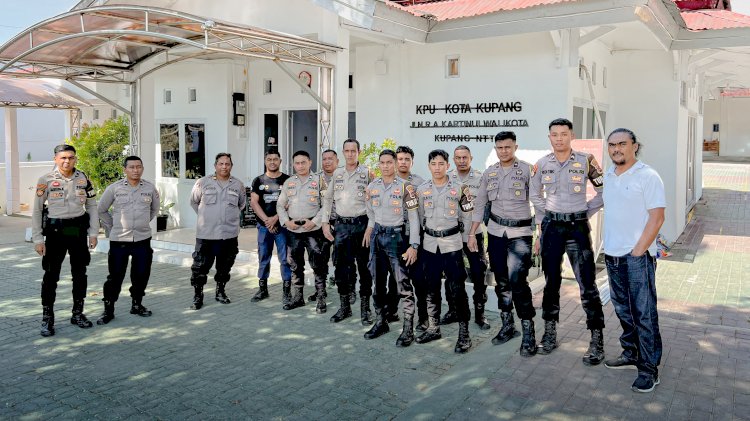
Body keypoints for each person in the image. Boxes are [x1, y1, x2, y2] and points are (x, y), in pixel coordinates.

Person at [529, 118, 606, 366]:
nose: (559, 138)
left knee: (587, 284)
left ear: (571, 135)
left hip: (577, 229)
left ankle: (597, 338)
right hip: (552, 229)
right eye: (555, 134)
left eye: (564, 134)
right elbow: (533, 195)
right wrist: (546, 218)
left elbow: (605, 190)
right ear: (549, 137)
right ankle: (550, 333)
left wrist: (586, 210)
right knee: (551, 283)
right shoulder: (541, 165)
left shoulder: (586, 161)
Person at [602, 128, 665, 393]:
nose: (617, 149)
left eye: (622, 144)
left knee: (644, 314)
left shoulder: (648, 176)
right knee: (623, 310)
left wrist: (638, 251)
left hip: (636, 258)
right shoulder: (608, 174)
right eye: (612, 145)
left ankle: (649, 370)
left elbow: (657, 217)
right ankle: (631, 352)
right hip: (612, 256)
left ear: (635, 146)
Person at [468, 132, 537, 357]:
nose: (504, 151)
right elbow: (479, 205)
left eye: (508, 147)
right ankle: (508, 325)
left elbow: (539, 202)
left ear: (515, 146)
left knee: (518, 281)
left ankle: (528, 332)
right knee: (501, 281)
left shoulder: (528, 170)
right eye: (500, 147)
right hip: (497, 233)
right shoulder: (490, 173)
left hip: (520, 233)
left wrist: (542, 233)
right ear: (496, 148)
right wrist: (471, 233)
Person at [32, 144, 99, 337]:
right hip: (55, 233)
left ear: (75, 159)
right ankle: (48, 318)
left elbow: (92, 205)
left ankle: (77, 313)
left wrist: (93, 233)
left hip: (77, 231)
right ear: (55, 159)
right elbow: (37, 211)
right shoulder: (45, 180)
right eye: (63, 158)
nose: (67, 161)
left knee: (80, 273)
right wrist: (38, 238)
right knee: (51, 276)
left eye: (71, 157)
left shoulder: (83, 178)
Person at [416, 149, 473, 353]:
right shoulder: (422, 190)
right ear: (429, 166)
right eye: (434, 164)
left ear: (448, 165)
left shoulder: (460, 188)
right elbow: (419, 216)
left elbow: (467, 215)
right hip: (430, 245)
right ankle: (433, 328)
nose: (437, 167)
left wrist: (467, 241)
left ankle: (464, 334)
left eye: (441, 163)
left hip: (452, 245)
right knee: (431, 288)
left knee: (457, 289)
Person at [362, 149, 420, 346]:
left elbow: (414, 218)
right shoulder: (372, 187)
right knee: (377, 283)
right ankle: (381, 321)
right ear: (379, 164)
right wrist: (370, 230)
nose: (385, 166)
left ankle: (407, 329)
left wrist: (413, 245)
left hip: (397, 239)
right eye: (382, 162)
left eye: (389, 162)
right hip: (378, 238)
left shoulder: (406, 187)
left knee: (403, 285)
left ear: (395, 164)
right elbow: (370, 212)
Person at [96, 156, 159, 325]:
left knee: (141, 275)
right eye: (131, 167)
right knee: (115, 277)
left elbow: (154, 209)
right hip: (119, 241)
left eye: (138, 167)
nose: (135, 170)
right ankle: (108, 309)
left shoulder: (149, 188)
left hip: (142, 239)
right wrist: (113, 226)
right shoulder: (114, 188)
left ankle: (137, 304)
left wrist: (142, 223)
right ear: (125, 169)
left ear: (142, 168)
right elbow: (101, 210)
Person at [321, 139, 373, 325]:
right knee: (342, 268)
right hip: (342, 226)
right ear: (343, 152)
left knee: (365, 269)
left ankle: (365, 309)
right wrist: (325, 223)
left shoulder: (367, 173)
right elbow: (327, 200)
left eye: (353, 151)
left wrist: (371, 226)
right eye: (347, 151)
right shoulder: (338, 173)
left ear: (359, 152)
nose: (350, 154)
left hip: (362, 226)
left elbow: (374, 202)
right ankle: (345, 308)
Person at [188, 153, 246, 310]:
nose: (224, 166)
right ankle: (198, 295)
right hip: (206, 235)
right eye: (221, 163)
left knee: (225, 266)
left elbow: (241, 205)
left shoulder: (238, 185)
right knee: (200, 267)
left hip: (228, 235)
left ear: (231, 166)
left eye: (227, 164)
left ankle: (220, 291)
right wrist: (207, 217)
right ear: (215, 165)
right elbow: (194, 202)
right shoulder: (202, 183)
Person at [277, 151, 328, 312]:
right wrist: (286, 221)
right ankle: (298, 298)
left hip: (313, 229)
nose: (300, 166)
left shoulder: (319, 181)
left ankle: (321, 298)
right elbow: (280, 205)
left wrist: (314, 222)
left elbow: (326, 205)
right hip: (294, 230)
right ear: (293, 164)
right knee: (295, 264)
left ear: (310, 162)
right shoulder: (289, 182)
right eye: (297, 163)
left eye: (303, 162)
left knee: (317, 265)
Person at [448, 145, 491, 330]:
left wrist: (473, 233)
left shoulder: (480, 178)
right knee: (452, 275)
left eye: (465, 157)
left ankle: (480, 314)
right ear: (453, 159)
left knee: (478, 273)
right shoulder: (447, 177)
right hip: (452, 236)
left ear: (471, 158)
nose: (461, 161)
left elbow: (483, 206)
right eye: (458, 158)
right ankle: (453, 310)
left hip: (473, 235)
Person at [388, 145, 426, 327]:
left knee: (418, 277)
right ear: (395, 161)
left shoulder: (420, 182)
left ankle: (423, 317)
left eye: (407, 159)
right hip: (395, 235)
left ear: (412, 161)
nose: (403, 162)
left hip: (415, 234)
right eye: (400, 159)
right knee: (394, 277)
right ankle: (392, 311)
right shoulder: (388, 182)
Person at [249, 149, 292, 304]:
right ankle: (263, 290)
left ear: (280, 161)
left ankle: (286, 292)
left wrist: (275, 219)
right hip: (263, 226)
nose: (272, 162)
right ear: (265, 161)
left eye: (275, 159)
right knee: (263, 257)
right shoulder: (258, 181)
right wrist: (267, 221)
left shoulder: (288, 180)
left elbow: (289, 203)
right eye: (269, 159)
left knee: (285, 259)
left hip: (282, 226)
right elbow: (254, 203)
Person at [308, 149, 339, 303]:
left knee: (341, 258)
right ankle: (320, 289)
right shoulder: (315, 179)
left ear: (337, 161)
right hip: (321, 224)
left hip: (341, 223)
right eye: (324, 159)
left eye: (330, 159)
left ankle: (347, 290)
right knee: (319, 257)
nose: (327, 162)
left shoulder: (343, 177)